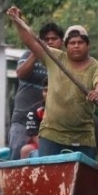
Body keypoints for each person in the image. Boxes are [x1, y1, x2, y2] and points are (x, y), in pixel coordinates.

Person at [6, 6, 98, 160]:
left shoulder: (97, 66)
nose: (76, 45)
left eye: (80, 42)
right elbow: (30, 41)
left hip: (82, 134)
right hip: (51, 133)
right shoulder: (54, 57)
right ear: (66, 46)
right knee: (44, 167)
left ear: (87, 45)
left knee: (84, 168)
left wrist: (97, 92)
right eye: (72, 42)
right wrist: (18, 21)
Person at [8, 22, 63, 160]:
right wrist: (35, 52)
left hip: (51, 121)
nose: (49, 42)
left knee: (51, 156)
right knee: (17, 152)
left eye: (54, 39)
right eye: (46, 39)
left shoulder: (64, 63)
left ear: (61, 42)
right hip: (22, 116)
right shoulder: (28, 54)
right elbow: (20, 74)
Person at [19, 78, 48, 159]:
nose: (47, 94)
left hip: (60, 142)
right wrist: (46, 147)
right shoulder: (35, 109)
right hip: (41, 143)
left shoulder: (63, 110)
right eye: (45, 91)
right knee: (25, 150)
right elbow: (33, 134)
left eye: (50, 91)